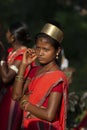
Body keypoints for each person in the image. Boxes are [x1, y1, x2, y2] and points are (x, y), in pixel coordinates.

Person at [12, 22, 69, 130]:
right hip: (28, 125)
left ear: (57, 51)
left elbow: (49, 115)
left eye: (46, 49)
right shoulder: (34, 71)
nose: (40, 53)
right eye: (38, 48)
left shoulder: (57, 78)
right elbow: (16, 96)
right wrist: (23, 66)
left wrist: (26, 104)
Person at [0, 22, 33, 130]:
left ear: (13, 37)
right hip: (4, 96)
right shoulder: (11, 52)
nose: (5, 34)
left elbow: (6, 78)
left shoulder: (23, 55)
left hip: (13, 99)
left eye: (7, 32)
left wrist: (2, 56)